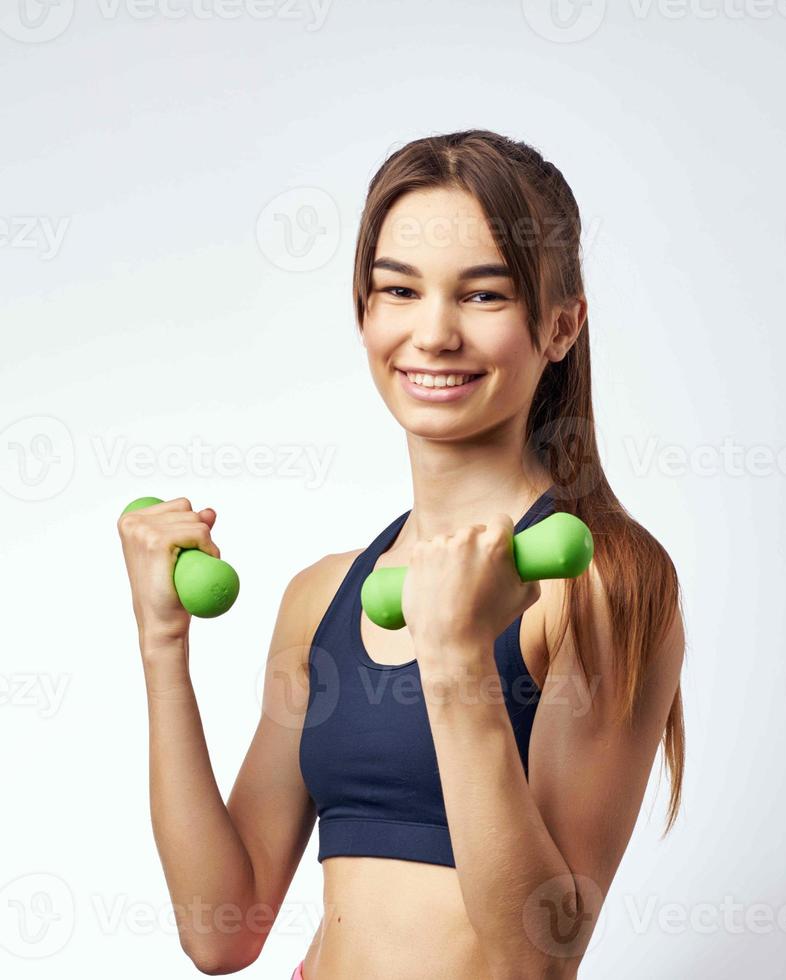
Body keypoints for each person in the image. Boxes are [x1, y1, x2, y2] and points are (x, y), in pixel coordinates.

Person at [118, 129, 686, 978]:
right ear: (363, 313)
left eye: (484, 296)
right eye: (399, 289)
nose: (434, 333)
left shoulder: (599, 580)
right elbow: (221, 932)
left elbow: (542, 959)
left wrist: (458, 661)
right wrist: (162, 647)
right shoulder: (323, 597)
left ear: (562, 324)